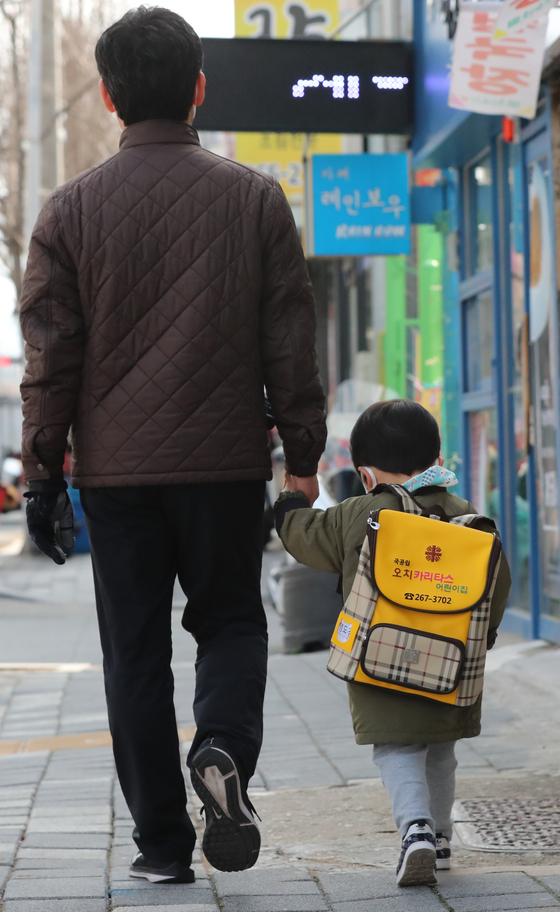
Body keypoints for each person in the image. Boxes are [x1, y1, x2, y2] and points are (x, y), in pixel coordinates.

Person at [19, 6, 326, 884]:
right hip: (226, 463)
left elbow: (51, 355)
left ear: (109, 96)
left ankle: (161, 844)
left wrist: (44, 475)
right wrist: (302, 457)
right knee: (231, 620)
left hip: (116, 475)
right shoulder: (254, 199)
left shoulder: (68, 211)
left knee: (135, 651)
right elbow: (289, 340)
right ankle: (222, 748)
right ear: (198, 88)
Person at [274, 400, 511, 887]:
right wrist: (482, 640)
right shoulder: (465, 515)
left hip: (379, 660)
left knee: (398, 748)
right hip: (449, 663)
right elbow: (497, 580)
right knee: (440, 748)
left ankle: (415, 830)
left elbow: (304, 537)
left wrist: (290, 502)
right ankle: (441, 837)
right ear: (436, 456)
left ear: (365, 474)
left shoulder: (360, 512)